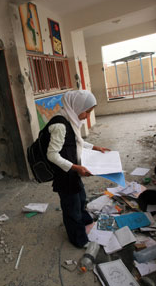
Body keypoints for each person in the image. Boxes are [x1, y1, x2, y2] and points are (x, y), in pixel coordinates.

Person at [43, 90, 109, 248]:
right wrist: (76, 167)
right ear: (77, 106)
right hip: (64, 174)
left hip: (72, 171)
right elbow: (52, 155)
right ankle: (78, 239)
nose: (87, 117)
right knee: (71, 206)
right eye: (86, 112)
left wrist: (95, 147)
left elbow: (76, 141)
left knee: (80, 198)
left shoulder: (70, 119)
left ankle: (86, 223)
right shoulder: (60, 125)